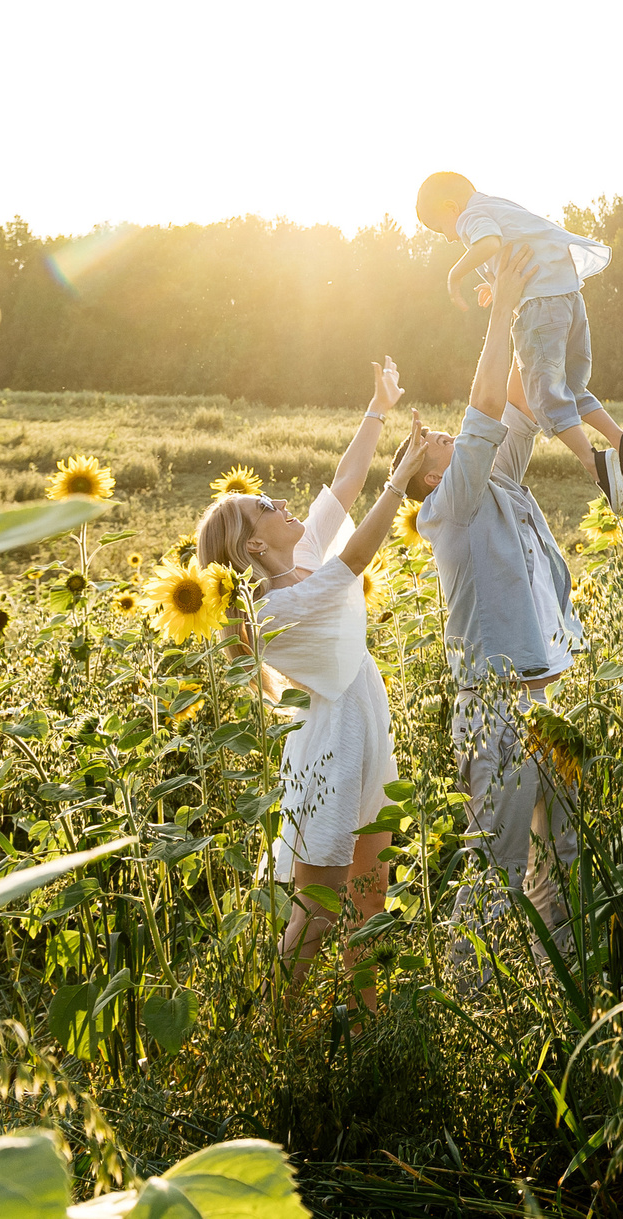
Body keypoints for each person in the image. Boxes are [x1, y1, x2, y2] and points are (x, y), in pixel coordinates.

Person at [194, 357, 425, 980]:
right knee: (316, 915)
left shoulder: (301, 560)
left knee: (370, 904)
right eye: (267, 503)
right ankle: (284, 1038)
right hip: (328, 755)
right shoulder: (274, 608)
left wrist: (378, 404)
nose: (285, 500)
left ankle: (366, 1030)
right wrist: (400, 479)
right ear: (253, 546)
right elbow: (356, 557)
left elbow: (346, 482)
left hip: (367, 733)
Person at [388, 247, 585, 968]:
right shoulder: (448, 505)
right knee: (494, 873)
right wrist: (499, 302)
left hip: (546, 693)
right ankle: (464, 1002)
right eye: (435, 441)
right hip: (497, 708)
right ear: (429, 474)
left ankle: (553, 997)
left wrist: (538, 302)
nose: (445, 433)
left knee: (565, 859)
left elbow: (519, 401)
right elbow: (482, 409)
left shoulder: (495, 480)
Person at [414, 169, 623, 514]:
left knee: (544, 394)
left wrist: (455, 274)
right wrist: (495, 286)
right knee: (569, 385)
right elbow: (523, 247)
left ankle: (594, 464)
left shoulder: (470, 216)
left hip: (539, 309)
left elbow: (489, 243)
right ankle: (621, 440)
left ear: (451, 207)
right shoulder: (497, 206)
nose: (448, 238)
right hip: (568, 298)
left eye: (440, 228)